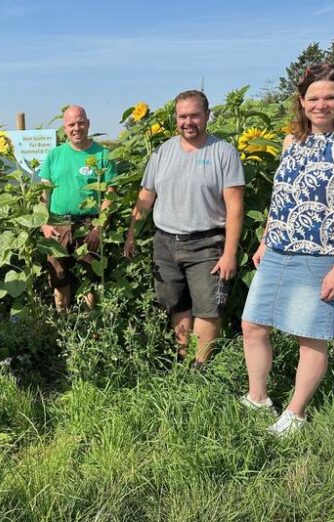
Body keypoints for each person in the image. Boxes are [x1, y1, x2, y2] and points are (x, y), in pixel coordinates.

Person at [240, 63, 334, 435]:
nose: (321, 104)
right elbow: (281, 197)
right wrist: (266, 238)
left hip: (321, 256)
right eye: (313, 97)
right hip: (279, 250)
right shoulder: (291, 142)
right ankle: (258, 397)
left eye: (330, 96)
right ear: (301, 101)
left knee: (310, 336)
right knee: (252, 325)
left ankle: (295, 413)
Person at [124, 90, 244, 368]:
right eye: (182, 116)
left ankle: (199, 367)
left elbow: (235, 206)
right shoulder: (163, 151)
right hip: (165, 241)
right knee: (175, 303)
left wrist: (229, 254)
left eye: (194, 115)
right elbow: (146, 195)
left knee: (208, 306)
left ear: (207, 116)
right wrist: (132, 232)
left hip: (206, 242)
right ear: (175, 119)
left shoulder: (223, 152)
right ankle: (182, 359)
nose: (188, 121)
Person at [39, 105, 116, 311]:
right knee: (59, 276)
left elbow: (110, 195)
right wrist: (44, 224)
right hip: (58, 224)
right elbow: (44, 193)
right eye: (71, 124)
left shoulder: (102, 154)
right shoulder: (54, 155)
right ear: (64, 128)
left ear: (88, 123)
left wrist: (98, 228)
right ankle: (63, 321)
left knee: (91, 276)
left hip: (88, 225)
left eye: (81, 122)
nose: (77, 128)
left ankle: (91, 326)